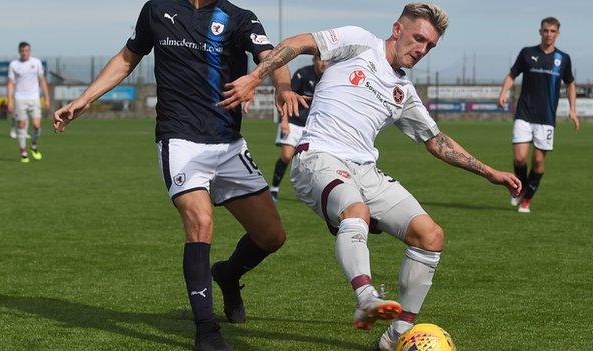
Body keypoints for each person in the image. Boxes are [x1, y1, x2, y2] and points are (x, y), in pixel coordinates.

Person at [219, 3, 522, 350]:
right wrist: (258, 78)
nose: (421, 49)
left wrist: (489, 172)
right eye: (418, 38)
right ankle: (366, 297)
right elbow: (299, 42)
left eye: (430, 46)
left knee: (431, 235)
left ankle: (394, 337)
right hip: (318, 156)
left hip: (366, 170)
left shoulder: (404, 93)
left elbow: (436, 141)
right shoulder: (360, 42)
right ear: (397, 29)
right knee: (356, 210)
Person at [53, 1, 305, 350]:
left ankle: (228, 274)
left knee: (272, 236)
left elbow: (272, 55)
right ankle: (207, 332)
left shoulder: (239, 17)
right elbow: (127, 58)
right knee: (200, 223)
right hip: (180, 140)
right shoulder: (157, 10)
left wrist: (282, 86)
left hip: (229, 145)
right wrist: (85, 99)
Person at [498, 17, 579, 213]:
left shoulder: (563, 58)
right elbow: (512, 75)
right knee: (519, 159)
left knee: (539, 162)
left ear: (557, 33)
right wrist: (503, 92)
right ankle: (522, 188)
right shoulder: (527, 53)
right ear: (540, 32)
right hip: (524, 113)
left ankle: (527, 199)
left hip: (546, 118)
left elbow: (570, 84)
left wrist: (573, 109)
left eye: (552, 31)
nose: (548, 34)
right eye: (545, 30)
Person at [270, 55, 327, 202]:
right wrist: (284, 121)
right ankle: (274, 188)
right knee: (287, 157)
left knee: (312, 163)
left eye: (327, 60)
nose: (324, 63)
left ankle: (312, 194)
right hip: (293, 122)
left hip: (313, 127)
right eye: (321, 60)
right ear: (314, 60)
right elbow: (285, 97)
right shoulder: (302, 74)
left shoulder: (329, 79)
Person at [7, 42, 50, 163]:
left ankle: (34, 145)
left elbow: (42, 80)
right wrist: (9, 100)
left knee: (36, 126)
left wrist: (47, 97)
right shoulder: (14, 64)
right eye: (22, 51)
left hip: (34, 98)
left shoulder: (36, 63)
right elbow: (11, 83)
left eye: (26, 50)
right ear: (19, 51)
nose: (24, 53)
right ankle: (23, 152)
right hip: (20, 98)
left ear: (29, 51)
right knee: (21, 125)